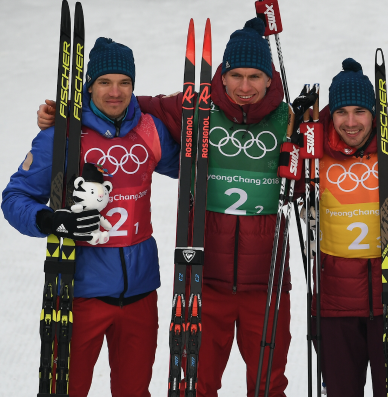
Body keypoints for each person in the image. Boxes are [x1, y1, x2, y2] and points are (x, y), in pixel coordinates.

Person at [37, 18, 294, 397]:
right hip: (204, 280)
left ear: (271, 78)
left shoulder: (291, 120)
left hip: (267, 280)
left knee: (268, 386)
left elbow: (342, 139)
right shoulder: (192, 108)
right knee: (199, 385)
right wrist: (70, 110)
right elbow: (134, 105)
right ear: (220, 76)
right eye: (235, 74)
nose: (244, 86)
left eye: (255, 76)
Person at [3, 37, 180, 397]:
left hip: (141, 291)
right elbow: (14, 197)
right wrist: (49, 220)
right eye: (104, 82)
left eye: (124, 83)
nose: (115, 92)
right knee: (68, 390)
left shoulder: (150, 130)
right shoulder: (63, 137)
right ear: (88, 86)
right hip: (78, 292)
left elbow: (199, 167)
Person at [303, 58, 388, 397]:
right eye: (342, 112)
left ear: (375, 113)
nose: (351, 122)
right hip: (334, 304)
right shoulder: (315, 151)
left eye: (361, 111)